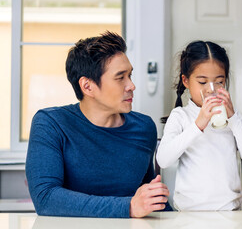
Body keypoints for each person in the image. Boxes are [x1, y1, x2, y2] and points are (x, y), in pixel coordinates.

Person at [25, 31, 171, 218]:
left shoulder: (144, 127)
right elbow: (46, 198)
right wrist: (128, 207)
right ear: (87, 86)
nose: (131, 86)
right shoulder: (51, 124)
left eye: (130, 75)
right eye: (120, 77)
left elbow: (147, 197)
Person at [156, 40, 242, 211]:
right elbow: (163, 160)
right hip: (189, 215)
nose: (210, 89)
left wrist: (234, 118)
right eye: (202, 82)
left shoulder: (232, 118)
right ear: (186, 81)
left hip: (230, 213)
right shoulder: (180, 116)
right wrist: (198, 125)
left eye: (219, 82)